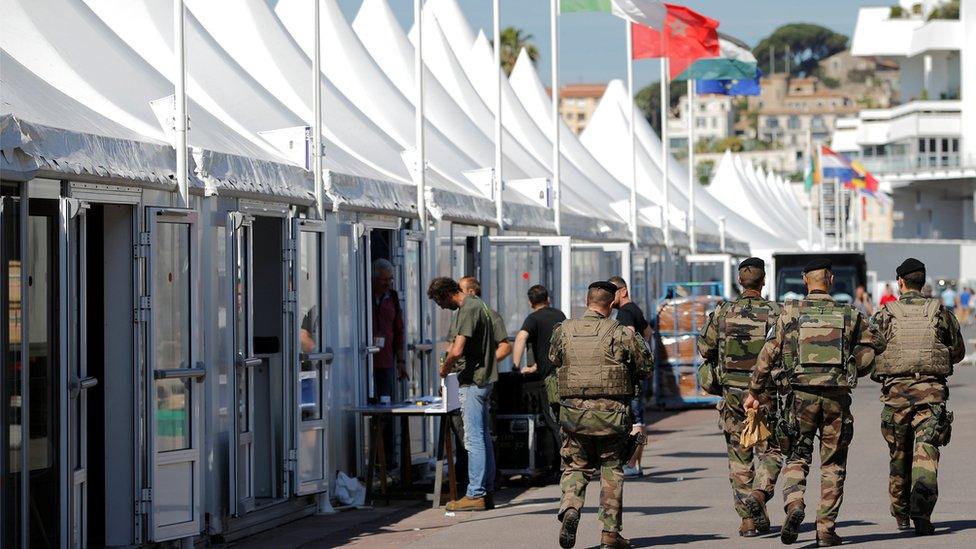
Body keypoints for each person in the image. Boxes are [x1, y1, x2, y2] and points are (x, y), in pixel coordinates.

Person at [745, 258, 885, 547]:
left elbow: (767, 355)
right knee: (833, 465)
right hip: (836, 399)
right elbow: (877, 343)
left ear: (805, 280)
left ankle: (795, 503)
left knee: (797, 457)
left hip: (799, 398)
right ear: (831, 280)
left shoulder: (789, 314)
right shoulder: (850, 314)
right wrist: (855, 365)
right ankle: (825, 530)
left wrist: (755, 392)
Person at [551, 281, 653, 549]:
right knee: (611, 469)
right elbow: (645, 365)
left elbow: (554, 360)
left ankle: (571, 507)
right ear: (610, 305)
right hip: (612, 416)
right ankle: (610, 534)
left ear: (587, 301)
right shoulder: (620, 332)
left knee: (575, 466)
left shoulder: (563, 330)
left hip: (573, 414)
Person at [871, 258, 965, 536]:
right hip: (931, 396)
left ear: (900, 282)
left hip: (896, 397)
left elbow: (871, 352)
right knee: (926, 455)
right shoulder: (941, 312)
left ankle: (900, 514)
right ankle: (921, 511)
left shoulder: (885, 314)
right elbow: (957, 351)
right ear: (922, 282)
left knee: (899, 455)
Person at [699, 257, 785, 538]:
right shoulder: (776, 312)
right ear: (763, 281)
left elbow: (704, 347)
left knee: (739, 455)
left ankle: (747, 519)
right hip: (765, 393)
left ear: (739, 281)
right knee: (770, 450)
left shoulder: (723, 312)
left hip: (733, 394)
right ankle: (759, 494)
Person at [427, 277, 498, 512]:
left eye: (439, 302)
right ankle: (486, 490)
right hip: (485, 379)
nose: (441, 308)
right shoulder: (480, 306)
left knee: (473, 439)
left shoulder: (467, 308)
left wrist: (444, 368)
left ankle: (475, 493)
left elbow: (457, 349)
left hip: (473, 381)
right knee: (483, 437)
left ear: (446, 295)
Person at [512, 284, 566, 473]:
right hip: (565, 375)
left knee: (552, 421)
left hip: (549, 379)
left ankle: (562, 465)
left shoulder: (533, 319)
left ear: (530, 302)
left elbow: (520, 338)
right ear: (548, 298)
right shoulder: (559, 315)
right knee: (564, 420)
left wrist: (516, 366)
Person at [608, 276, 651, 478]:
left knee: (634, 422)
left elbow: (629, 337)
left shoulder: (624, 313)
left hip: (630, 375)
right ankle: (637, 463)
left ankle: (632, 463)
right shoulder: (636, 309)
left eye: (613, 291)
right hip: (640, 374)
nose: (609, 296)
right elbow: (648, 331)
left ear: (623, 291)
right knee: (639, 421)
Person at [459, 276, 512, 363]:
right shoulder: (459, 315)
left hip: (479, 375)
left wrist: (485, 365)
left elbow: (505, 347)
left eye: (460, 291)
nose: (457, 294)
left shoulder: (490, 315)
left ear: (471, 292)